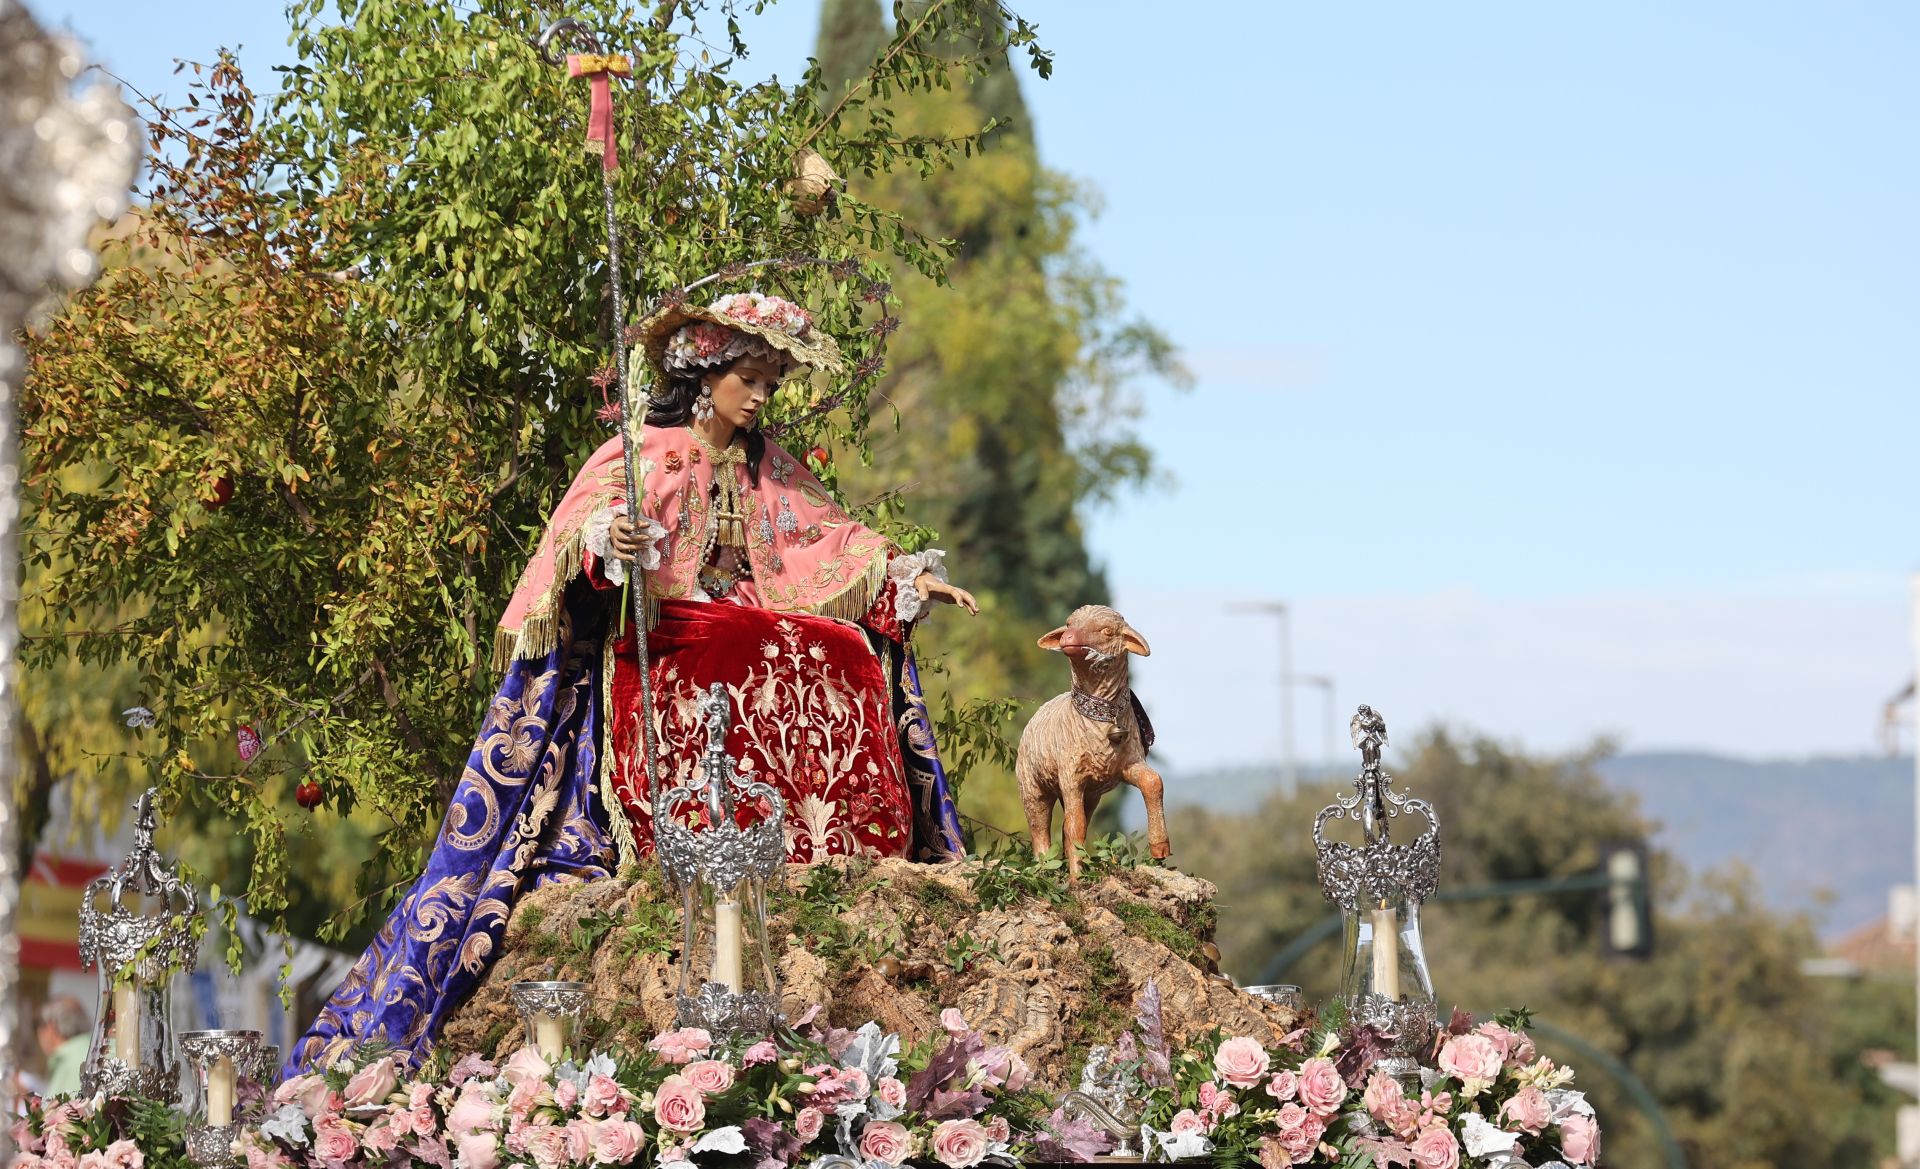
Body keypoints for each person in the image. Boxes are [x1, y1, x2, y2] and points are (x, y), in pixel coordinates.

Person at [289, 292, 973, 1071]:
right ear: (705, 370)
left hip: (746, 617)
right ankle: (686, 830)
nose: (758, 397)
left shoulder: (768, 466)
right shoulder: (642, 450)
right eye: (748, 378)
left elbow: (831, 538)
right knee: (731, 635)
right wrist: (607, 538)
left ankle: (836, 841)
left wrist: (902, 571)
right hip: (665, 621)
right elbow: (588, 523)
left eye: (770, 385)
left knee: (845, 644)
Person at [38, 996, 91, 1098]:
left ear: (51, 1025)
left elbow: (61, 1111)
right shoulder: (95, 1048)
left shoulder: (67, 1061)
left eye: (39, 1024)